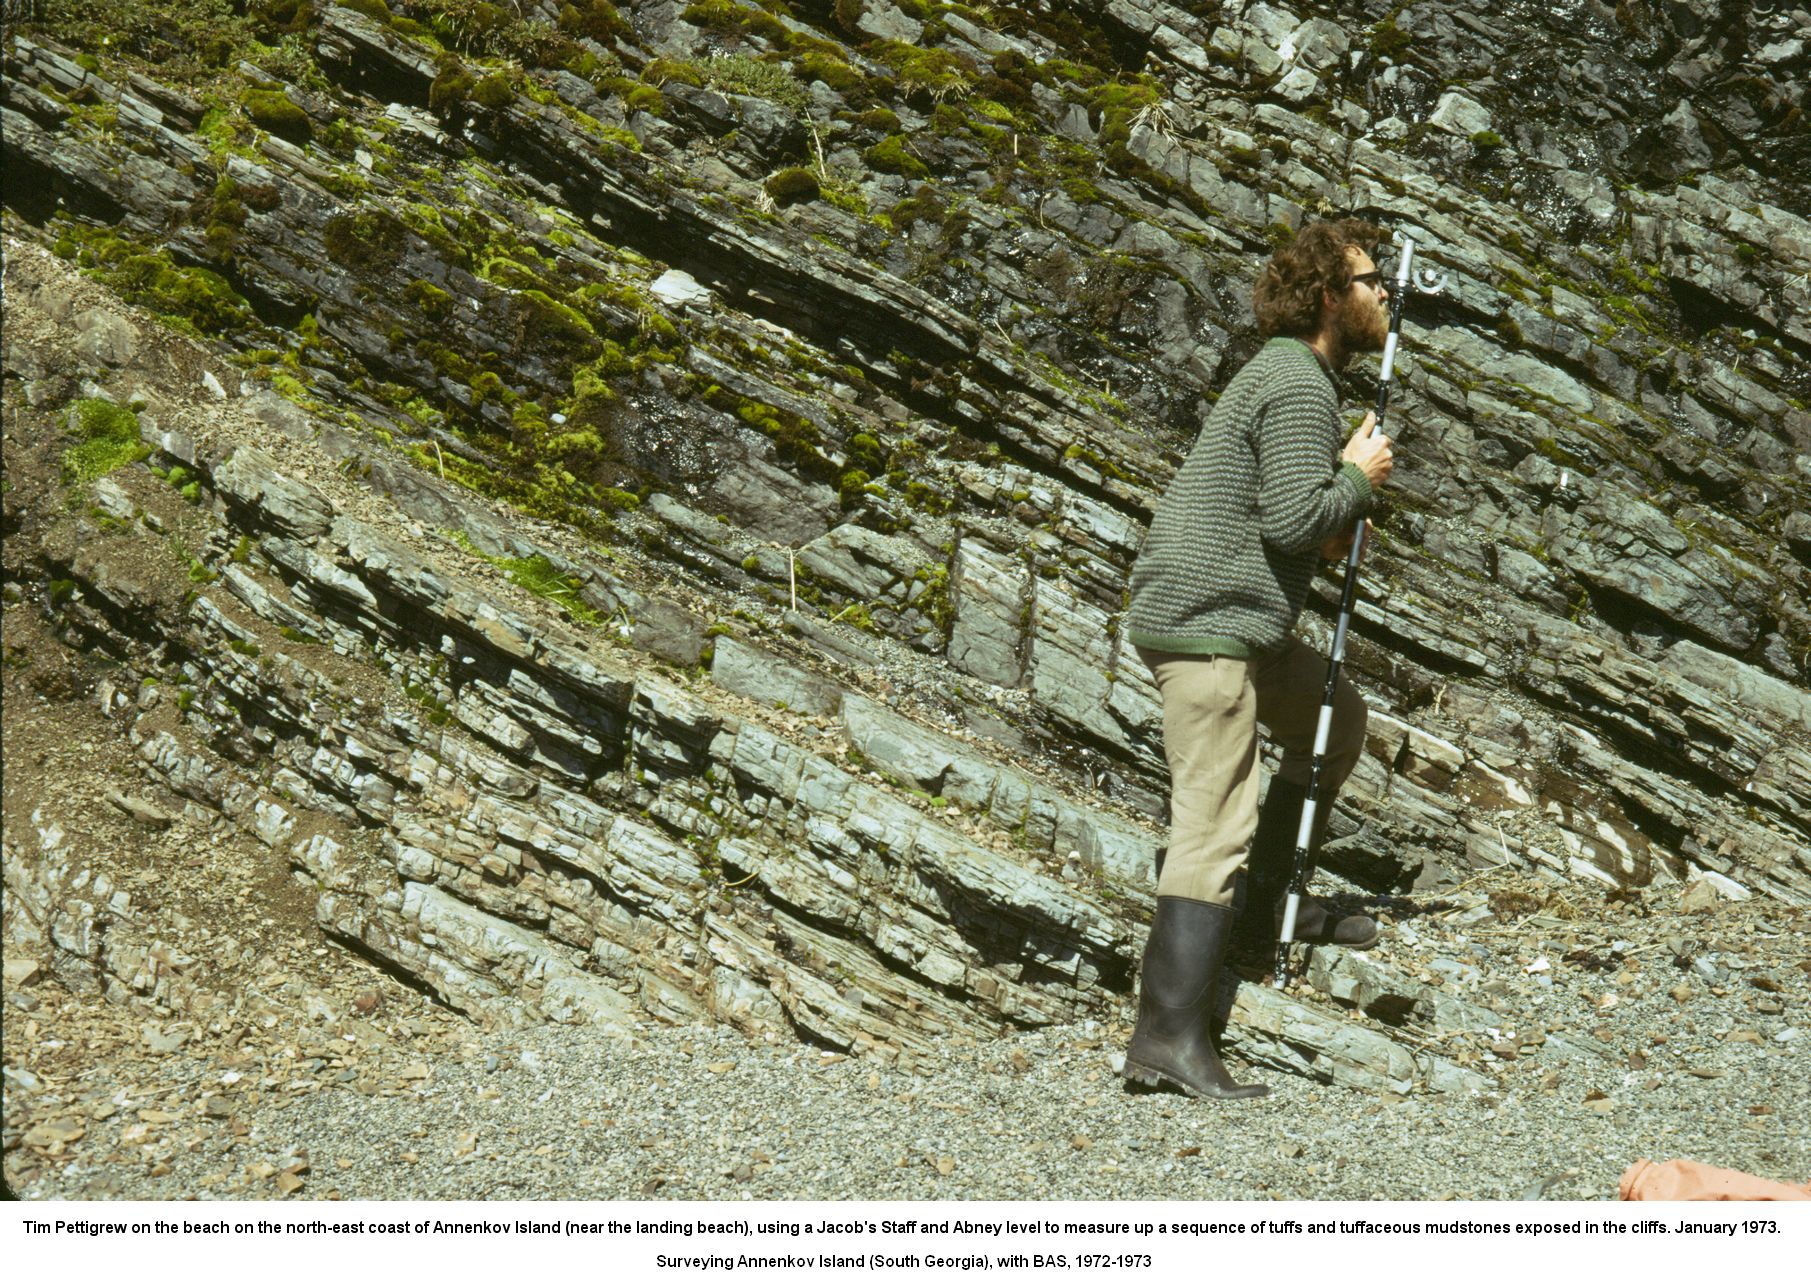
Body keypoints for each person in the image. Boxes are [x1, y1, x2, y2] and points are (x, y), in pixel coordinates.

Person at [1119, 219, 1396, 1100]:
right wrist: (1356, 477)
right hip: (1207, 631)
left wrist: (1333, 507)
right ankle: (1165, 1038)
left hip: (1244, 627)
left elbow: (1280, 515)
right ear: (1328, 298)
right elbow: (1289, 519)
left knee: (1333, 719)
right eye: (1368, 279)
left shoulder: (1293, 376)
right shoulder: (1296, 382)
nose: (1384, 292)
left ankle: (1269, 908)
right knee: (1212, 823)